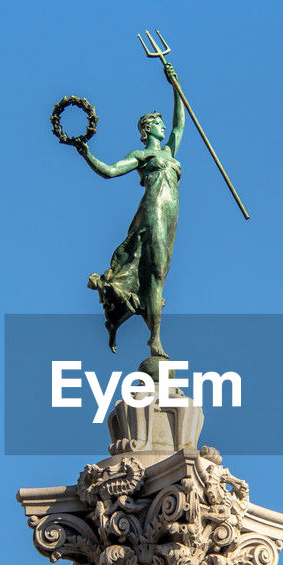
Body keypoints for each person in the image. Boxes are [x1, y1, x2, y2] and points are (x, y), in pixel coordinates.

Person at [75, 63, 185, 360]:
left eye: (162, 124)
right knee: (156, 270)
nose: (163, 128)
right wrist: (86, 153)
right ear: (147, 129)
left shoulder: (169, 153)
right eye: (157, 124)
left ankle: (126, 322)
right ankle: (155, 338)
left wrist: (175, 86)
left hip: (171, 215)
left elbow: (179, 126)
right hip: (152, 212)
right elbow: (110, 172)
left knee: (159, 273)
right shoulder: (141, 155)